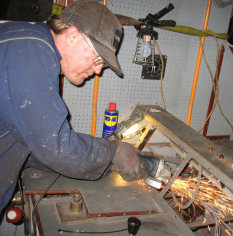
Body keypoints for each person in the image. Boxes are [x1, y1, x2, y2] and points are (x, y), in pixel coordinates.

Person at [0, 0, 146, 215]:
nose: (98, 71)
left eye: (102, 65)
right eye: (97, 59)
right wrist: (114, 151)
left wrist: (104, 164)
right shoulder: (30, 52)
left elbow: (30, 141)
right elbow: (56, 148)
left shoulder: (24, 42)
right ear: (73, 36)